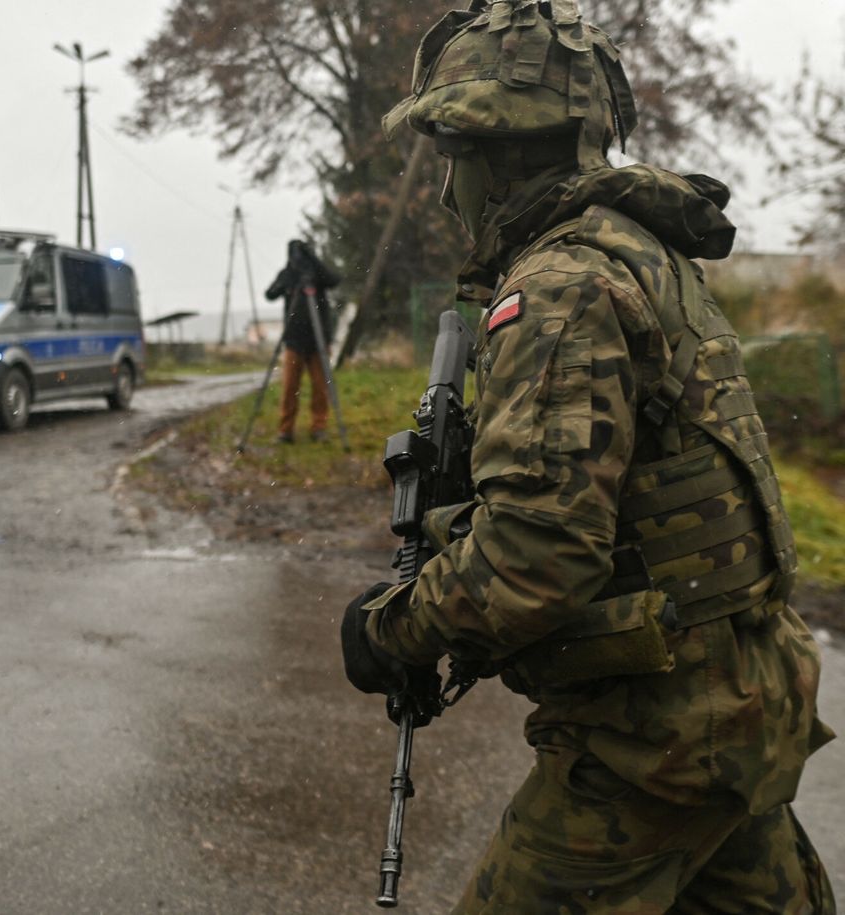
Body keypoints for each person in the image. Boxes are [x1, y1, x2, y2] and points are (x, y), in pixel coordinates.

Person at [339, 1, 836, 910]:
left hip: (656, 740)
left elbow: (539, 556)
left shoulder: (560, 288)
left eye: (454, 159)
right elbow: (623, 498)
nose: (450, 189)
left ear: (496, 155)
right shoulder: (643, 252)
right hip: (734, 697)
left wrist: (389, 630)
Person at [264, 240, 340, 443]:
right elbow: (270, 294)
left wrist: (314, 262)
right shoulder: (288, 274)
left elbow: (334, 280)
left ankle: (319, 427)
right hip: (294, 339)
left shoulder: (317, 274)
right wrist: (289, 279)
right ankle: (285, 430)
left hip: (318, 340)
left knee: (320, 387)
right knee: (290, 387)